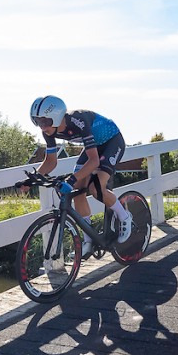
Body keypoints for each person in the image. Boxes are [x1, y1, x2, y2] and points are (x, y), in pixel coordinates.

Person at [27, 96, 133, 255]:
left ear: (56, 118)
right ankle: (88, 242)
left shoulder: (78, 121)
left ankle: (125, 217)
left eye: (44, 122)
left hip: (112, 141)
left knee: (96, 188)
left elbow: (94, 161)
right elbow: (50, 161)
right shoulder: (48, 131)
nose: (41, 127)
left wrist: (71, 179)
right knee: (77, 191)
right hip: (94, 146)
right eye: (37, 122)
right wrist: (30, 180)